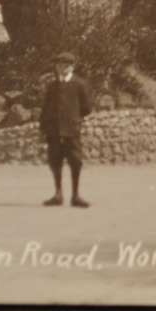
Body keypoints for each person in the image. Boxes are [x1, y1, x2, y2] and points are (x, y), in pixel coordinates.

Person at [39, 51, 94, 208]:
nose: (63, 68)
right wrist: (43, 128)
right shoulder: (52, 86)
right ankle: (58, 194)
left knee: (75, 161)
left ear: (72, 67)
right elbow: (45, 108)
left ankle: (76, 195)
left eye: (67, 65)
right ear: (56, 67)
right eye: (59, 65)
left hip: (71, 130)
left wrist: (74, 119)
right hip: (54, 130)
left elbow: (87, 107)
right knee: (55, 161)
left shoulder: (79, 84)